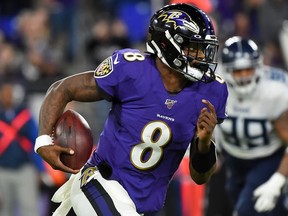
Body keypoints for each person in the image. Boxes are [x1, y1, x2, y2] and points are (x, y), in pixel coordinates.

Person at [34, 3, 228, 215]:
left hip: (145, 205)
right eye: (193, 47)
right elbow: (62, 89)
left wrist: (203, 142)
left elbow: (200, 177)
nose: (201, 56)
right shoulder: (131, 70)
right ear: (167, 45)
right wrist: (43, 141)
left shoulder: (210, 90)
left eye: (203, 49)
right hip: (102, 181)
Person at [215, 36, 288, 216]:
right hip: (232, 160)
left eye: (248, 69)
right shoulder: (214, 86)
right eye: (238, 71)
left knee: (245, 211)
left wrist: (278, 180)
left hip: (267, 158)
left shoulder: (275, 91)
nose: (244, 76)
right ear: (226, 70)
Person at [0, 81, 47, 216]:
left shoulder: (24, 116)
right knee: (4, 210)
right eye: (5, 93)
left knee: (30, 208)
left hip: (25, 169)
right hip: (2, 170)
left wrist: (40, 169)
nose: (8, 96)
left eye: (10, 93)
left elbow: (35, 142)